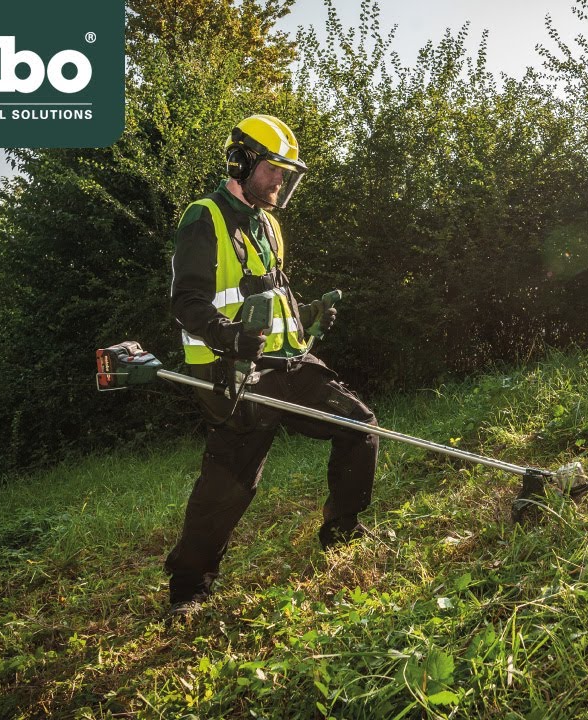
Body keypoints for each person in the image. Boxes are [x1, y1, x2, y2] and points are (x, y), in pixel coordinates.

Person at [163, 114, 380, 617]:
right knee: (232, 481)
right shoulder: (205, 217)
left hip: (287, 361)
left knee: (359, 425)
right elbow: (188, 302)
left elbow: (267, 296)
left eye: (286, 172)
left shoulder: (270, 225)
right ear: (242, 162)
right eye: (275, 170)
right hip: (232, 369)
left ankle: (342, 531)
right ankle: (188, 587)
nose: (282, 181)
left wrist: (307, 317)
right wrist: (229, 336)